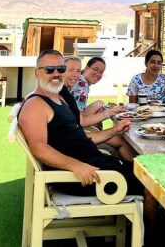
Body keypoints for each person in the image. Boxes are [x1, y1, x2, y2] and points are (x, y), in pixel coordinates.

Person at [18, 49, 142, 195]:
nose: (56, 74)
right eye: (49, 69)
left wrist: (114, 130)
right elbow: (39, 148)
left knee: (145, 171)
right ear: (37, 72)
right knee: (150, 183)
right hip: (83, 177)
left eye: (60, 69)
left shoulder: (59, 98)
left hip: (96, 164)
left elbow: (78, 136)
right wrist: (76, 166)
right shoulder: (35, 105)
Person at [63, 56, 135, 161]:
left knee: (100, 105)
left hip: (74, 135)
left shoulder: (65, 91)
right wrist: (108, 113)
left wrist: (106, 113)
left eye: (101, 72)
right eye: (95, 69)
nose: (75, 75)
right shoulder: (81, 84)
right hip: (75, 138)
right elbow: (81, 121)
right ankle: (137, 168)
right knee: (121, 140)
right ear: (87, 68)